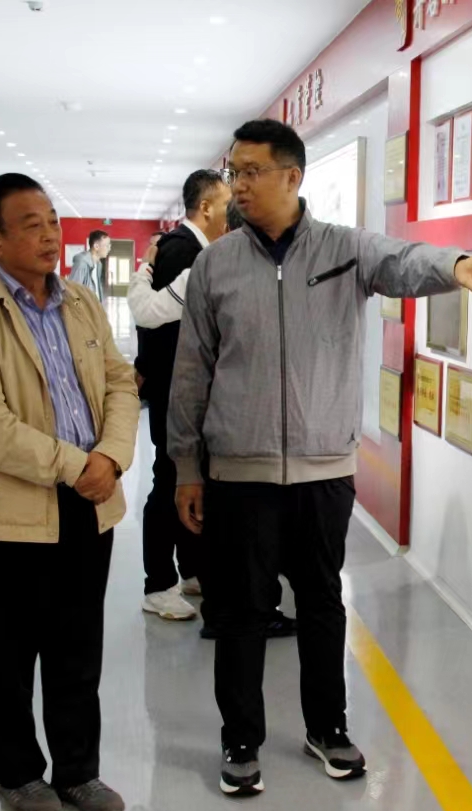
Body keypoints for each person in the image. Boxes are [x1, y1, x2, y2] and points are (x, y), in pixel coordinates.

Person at [168, 119, 472, 797]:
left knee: (323, 603)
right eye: (234, 173)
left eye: (251, 172)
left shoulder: (344, 249)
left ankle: (327, 728)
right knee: (241, 612)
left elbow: (402, 259)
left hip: (324, 472)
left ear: (292, 176)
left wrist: (457, 266)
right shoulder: (215, 265)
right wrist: (186, 466)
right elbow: (191, 370)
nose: (238, 185)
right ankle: (241, 739)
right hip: (239, 473)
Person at [0, 174, 138, 811]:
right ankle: (19, 772)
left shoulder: (80, 301)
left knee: (78, 646)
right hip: (9, 515)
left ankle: (79, 771)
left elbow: (120, 382)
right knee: (9, 650)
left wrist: (112, 456)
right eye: (31, 224)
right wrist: (78, 464)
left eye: (52, 220)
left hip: (89, 501)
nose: (50, 234)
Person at [127, 193, 299, 638]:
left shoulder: (195, 255)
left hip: (204, 402)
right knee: (177, 485)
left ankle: (199, 579)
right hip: (194, 401)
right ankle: (171, 585)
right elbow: (151, 316)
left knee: (193, 490)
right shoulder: (197, 259)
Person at [129, 169, 229, 623]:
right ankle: (157, 583)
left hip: (180, 389)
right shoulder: (183, 252)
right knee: (169, 480)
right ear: (205, 207)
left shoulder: (185, 249)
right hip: (175, 391)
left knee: (189, 479)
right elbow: (155, 323)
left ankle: (190, 569)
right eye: (227, 203)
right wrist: (154, 375)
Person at [69, 230, 110, 301]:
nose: (109, 249)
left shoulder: (99, 265)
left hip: (94, 306)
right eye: (107, 246)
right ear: (96, 246)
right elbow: (72, 291)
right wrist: (78, 306)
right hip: (84, 307)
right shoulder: (82, 262)